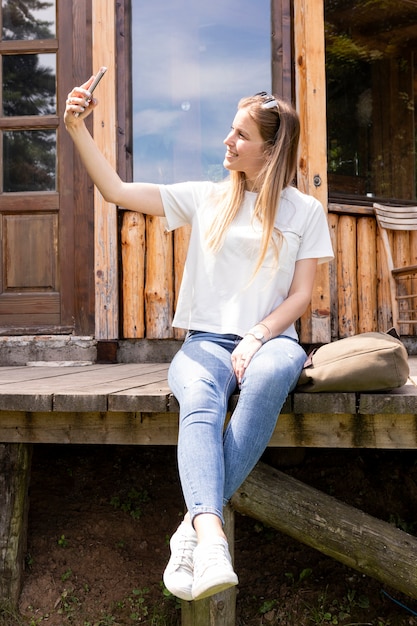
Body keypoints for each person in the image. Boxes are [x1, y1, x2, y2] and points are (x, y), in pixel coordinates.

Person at [64, 77, 334, 602]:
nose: (227, 142)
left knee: (277, 370)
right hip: (205, 344)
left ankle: (189, 526)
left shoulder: (305, 210)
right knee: (202, 402)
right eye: (230, 131)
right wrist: (76, 127)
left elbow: (301, 296)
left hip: (272, 339)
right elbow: (116, 191)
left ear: (271, 148)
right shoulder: (206, 198)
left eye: (240, 135)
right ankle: (209, 537)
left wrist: (257, 337)